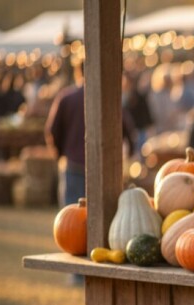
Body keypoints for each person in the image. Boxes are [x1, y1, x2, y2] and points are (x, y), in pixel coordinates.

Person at [45, 61, 135, 208]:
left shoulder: (66, 98)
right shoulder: (108, 98)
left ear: (78, 72)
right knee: (100, 214)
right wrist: (128, 151)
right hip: (102, 166)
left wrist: (61, 153)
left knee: (73, 212)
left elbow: (53, 130)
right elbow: (127, 129)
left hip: (73, 163)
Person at [147, 63, 183, 134]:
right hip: (159, 130)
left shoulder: (172, 93)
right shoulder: (155, 95)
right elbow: (156, 114)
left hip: (171, 130)